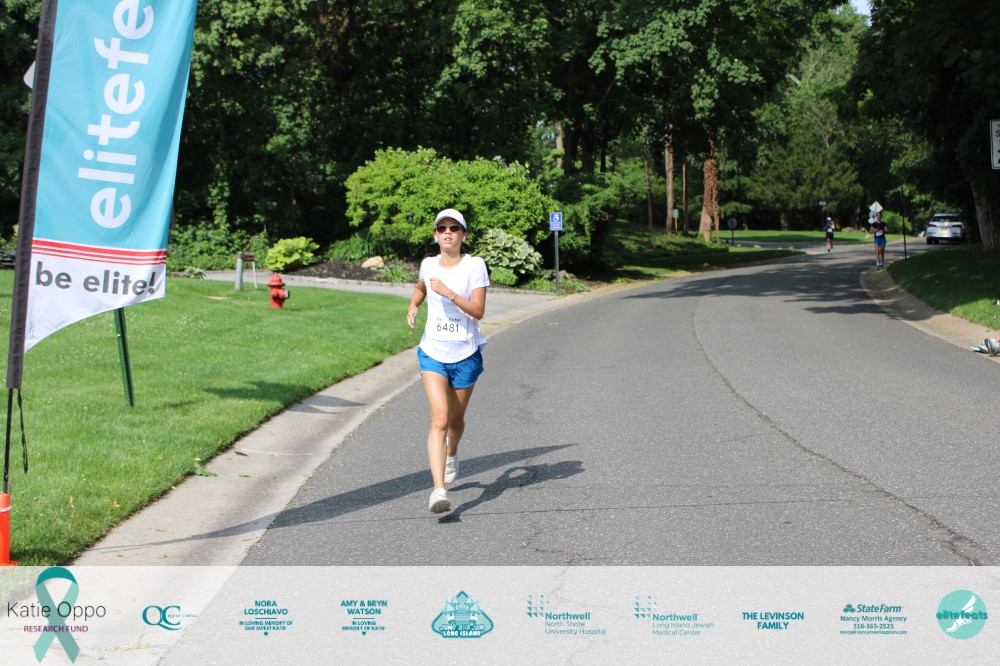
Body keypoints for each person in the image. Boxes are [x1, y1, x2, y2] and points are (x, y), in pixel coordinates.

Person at [406, 209, 489, 514]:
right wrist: (413, 305)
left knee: (455, 420)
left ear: (464, 234)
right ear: (435, 235)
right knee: (440, 419)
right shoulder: (428, 264)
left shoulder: (474, 266)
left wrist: (449, 293)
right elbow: (421, 287)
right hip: (433, 352)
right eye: (442, 228)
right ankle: (438, 491)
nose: (448, 232)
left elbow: (478, 311)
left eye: (454, 228)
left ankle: (451, 452)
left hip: (465, 354)